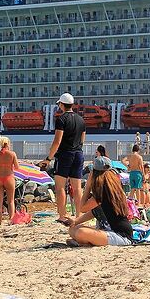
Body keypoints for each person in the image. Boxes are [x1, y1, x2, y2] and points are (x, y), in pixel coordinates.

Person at [39, 93, 86, 225]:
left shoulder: (61, 119)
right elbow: (83, 138)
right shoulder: (81, 119)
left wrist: (48, 158)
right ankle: (78, 216)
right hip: (78, 154)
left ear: (61, 104)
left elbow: (57, 141)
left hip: (65, 154)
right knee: (77, 188)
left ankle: (62, 215)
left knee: (60, 187)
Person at [67, 156, 134, 247]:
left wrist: (88, 186)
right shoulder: (111, 188)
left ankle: (83, 242)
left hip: (120, 236)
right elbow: (93, 212)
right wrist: (75, 222)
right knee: (73, 229)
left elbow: (82, 208)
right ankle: (84, 241)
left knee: (80, 232)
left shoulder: (103, 191)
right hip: (109, 232)